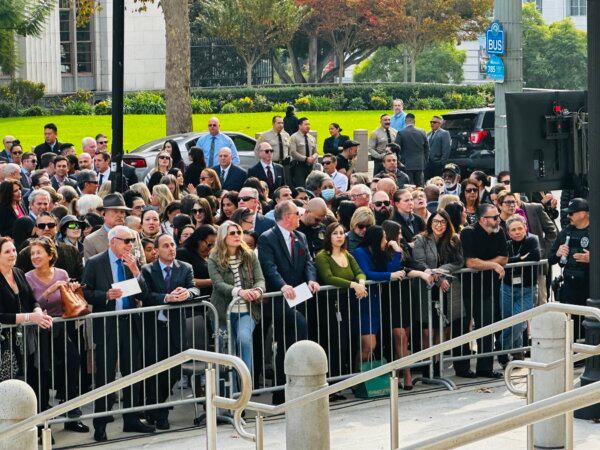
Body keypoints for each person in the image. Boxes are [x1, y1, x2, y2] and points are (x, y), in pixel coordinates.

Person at [83, 225, 155, 441]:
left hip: (128, 324)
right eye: (126, 241)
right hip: (106, 324)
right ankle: (101, 423)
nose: (130, 245)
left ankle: (131, 419)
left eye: (132, 240)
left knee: (132, 372)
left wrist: (136, 271)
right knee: (104, 375)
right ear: (113, 241)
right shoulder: (96, 263)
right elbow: (85, 291)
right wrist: (105, 295)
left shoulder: (131, 262)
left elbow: (145, 292)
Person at [257, 200, 320, 404]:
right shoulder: (267, 238)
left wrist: (311, 279)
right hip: (280, 298)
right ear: (287, 217)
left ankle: (297, 387)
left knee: (294, 341)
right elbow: (269, 266)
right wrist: (282, 285)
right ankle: (280, 391)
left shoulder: (300, 236)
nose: (300, 217)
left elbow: (309, 261)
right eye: (296, 213)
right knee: (291, 335)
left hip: (300, 295)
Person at [24, 237, 88, 431]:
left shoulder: (62, 273)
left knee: (72, 366)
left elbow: (67, 300)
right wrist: (49, 292)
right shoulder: (27, 277)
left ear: (50, 255)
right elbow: (31, 305)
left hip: (61, 329)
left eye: (38, 253)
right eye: (32, 253)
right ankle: (43, 424)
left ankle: (72, 416)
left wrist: (73, 290)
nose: (34, 256)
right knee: (41, 375)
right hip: (39, 333)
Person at [140, 234, 199, 429]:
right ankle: (159, 412)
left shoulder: (185, 268)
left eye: (173, 244)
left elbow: (195, 289)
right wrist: (167, 298)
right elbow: (146, 296)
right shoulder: (147, 270)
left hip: (175, 328)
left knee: (173, 371)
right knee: (155, 371)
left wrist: (187, 293)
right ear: (156, 250)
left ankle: (157, 408)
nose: (171, 248)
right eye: (166, 246)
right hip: (154, 328)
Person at [412, 211, 473, 377]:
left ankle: (437, 366)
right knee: (427, 330)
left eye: (443, 222)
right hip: (427, 289)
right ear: (430, 223)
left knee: (442, 329)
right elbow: (419, 262)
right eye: (436, 221)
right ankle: (427, 366)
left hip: (448, 290)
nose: (439, 225)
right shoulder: (421, 240)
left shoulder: (454, 239)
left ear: (448, 224)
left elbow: (459, 261)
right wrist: (438, 279)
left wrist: (442, 272)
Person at [208, 221, 265, 388]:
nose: (236, 236)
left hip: (247, 310)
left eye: (238, 232)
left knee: (244, 340)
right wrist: (239, 292)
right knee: (226, 351)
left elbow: (260, 279)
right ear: (223, 236)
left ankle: (246, 387)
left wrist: (258, 291)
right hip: (222, 312)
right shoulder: (213, 258)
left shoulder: (250, 255)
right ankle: (226, 392)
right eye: (231, 233)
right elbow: (218, 284)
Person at [315, 222, 368, 380]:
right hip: (331, 304)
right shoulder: (322, 256)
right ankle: (333, 380)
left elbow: (359, 272)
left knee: (350, 340)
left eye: (341, 233)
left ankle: (347, 378)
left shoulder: (347, 253)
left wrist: (361, 284)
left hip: (348, 302)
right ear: (328, 236)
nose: (339, 236)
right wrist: (353, 284)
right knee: (336, 342)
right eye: (335, 233)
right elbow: (328, 277)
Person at [461, 204, 508, 378]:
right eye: (494, 217)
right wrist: (493, 265)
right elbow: (471, 262)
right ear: (482, 219)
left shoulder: (500, 231)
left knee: (487, 326)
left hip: (489, 287)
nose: (498, 220)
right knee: (464, 327)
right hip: (467, 288)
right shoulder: (468, 232)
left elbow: (505, 257)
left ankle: (485, 367)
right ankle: (462, 367)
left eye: (498, 217)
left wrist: (488, 264)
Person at [0, 237, 53, 388]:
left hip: (22, 338)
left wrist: (38, 313)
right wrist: (31, 317)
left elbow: (31, 299)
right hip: (4, 341)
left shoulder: (18, 272)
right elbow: (1, 316)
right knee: (6, 384)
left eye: (14, 250)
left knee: (24, 378)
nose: (13, 254)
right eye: (7, 252)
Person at [351, 226, 406, 365]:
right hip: (363, 303)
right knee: (368, 345)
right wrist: (390, 275)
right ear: (376, 239)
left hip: (375, 302)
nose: (386, 241)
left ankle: (361, 380)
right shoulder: (359, 252)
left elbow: (390, 269)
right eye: (384, 238)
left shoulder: (377, 252)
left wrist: (398, 252)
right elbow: (367, 273)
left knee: (369, 347)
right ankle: (355, 379)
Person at [500, 215, 540, 365]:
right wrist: (521, 258)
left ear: (525, 228)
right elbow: (502, 260)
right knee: (508, 321)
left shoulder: (532, 239)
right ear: (509, 233)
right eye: (513, 230)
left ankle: (501, 349)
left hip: (528, 288)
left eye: (519, 228)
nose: (517, 232)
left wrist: (512, 259)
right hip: (507, 287)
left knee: (518, 323)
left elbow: (536, 256)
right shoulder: (505, 242)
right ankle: (517, 354)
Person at [549, 198, 590, 341]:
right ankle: (574, 356)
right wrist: (558, 253)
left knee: (590, 323)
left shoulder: (595, 231)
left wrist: (593, 259)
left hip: (590, 287)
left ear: (584, 214)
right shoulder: (566, 232)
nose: (568, 216)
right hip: (570, 286)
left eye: (572, 213)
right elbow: (550, 259)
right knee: (572, 324)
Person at [17, 212, 83, 280]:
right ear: (36, 229)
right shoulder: (26, 253)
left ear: (56, 228)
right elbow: (19, 279)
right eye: (41, 226)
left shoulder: (72, 251)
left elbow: (81, 278)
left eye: (50, 225)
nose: (46, 228)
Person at [83, 193, 146, 264]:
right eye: (115, 211)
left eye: (122, 212)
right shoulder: (91, 240)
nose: (119, 215)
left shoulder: (134, 234)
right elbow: (91, 271)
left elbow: (142, 263)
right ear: (103, 214)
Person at [520, 198, 557, 304]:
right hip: (517, 268)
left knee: (541, 302)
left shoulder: (534, 208)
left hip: (538, 265)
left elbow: (552, 231)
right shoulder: (503, 212)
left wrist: (544, 251)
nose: (512, 204)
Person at [176, 224, 216, 296]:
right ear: (199, 240)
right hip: (192, 301)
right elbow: (183, 280)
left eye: (214, 245)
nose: (211, 248)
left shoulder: (210, 255)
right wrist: (213, 281)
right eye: (209, 244)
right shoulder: (183, 253)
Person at [395, 113, 429, 186]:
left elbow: (396, 149)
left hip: (406, 164)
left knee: (409, 185)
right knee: (420, 185)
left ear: (405, 121)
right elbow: (427, 148)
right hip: (419, 164)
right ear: (414, 121)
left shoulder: (401, 133)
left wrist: (399, 162)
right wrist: (424, 160)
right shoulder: (422, 132)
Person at [289, 117, 318, 188]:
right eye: (306, 124)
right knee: (301, 187)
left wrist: (313, 157)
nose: (308, 126)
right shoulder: (294, 137)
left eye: (309, 124)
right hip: (299, 166)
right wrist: (306, 159)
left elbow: (316, 152)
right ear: (300, 126)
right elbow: (293, 152)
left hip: (310, 166)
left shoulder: (312, 138)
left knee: (311, 186)